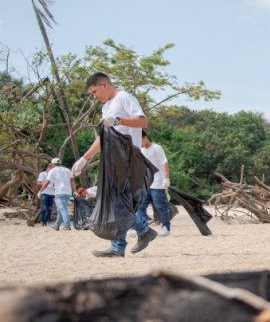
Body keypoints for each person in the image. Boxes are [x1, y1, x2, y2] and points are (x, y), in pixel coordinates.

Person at [72, 72, 157, 258]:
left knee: (117, 204)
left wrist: (119, 120)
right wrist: (84, 159)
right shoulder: (106, 108)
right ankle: (119, 246)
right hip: (113, 160)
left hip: (128, 158)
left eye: (94, 91)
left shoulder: (124, 97)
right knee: (114, 202)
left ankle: (142, 231)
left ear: (104, 85)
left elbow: (143, 122)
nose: (94, 96)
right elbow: (103, 138)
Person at [139, 130, 172, 237]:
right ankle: (142, 228)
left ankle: (165, 227)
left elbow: (164, 164)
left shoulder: (157, 148)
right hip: (146, 182)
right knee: (141, 205)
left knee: (159, 205)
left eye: (140, 140)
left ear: (145, 138)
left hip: (158, 182)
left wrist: (166, 179)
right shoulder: (140, 150)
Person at [38, 158, 72, 231]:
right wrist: (75, 191)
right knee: (60, 209)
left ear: (53, 164)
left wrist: (40, 191)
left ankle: (67, 226)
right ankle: (56, 225)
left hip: (59, 192)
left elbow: (47, 182)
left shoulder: (52, 171)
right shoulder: (67, 170)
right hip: (68, 192)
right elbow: (72, 181)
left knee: (63, 209)